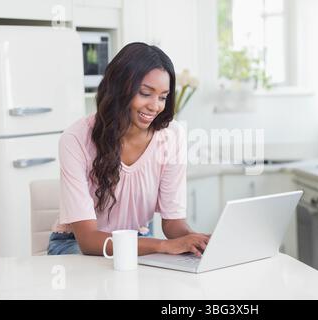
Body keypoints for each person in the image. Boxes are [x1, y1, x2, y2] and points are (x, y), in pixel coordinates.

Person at [48, 42, 210, 257]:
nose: (155, 106)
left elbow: (173, 224)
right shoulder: (75, 139)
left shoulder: (172, 135)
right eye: (145, 93)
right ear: (118, 88)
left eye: (163, 97)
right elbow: (88, 241)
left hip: (138, 241)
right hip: (75, 245)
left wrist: (196, 242)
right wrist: (161, 246)